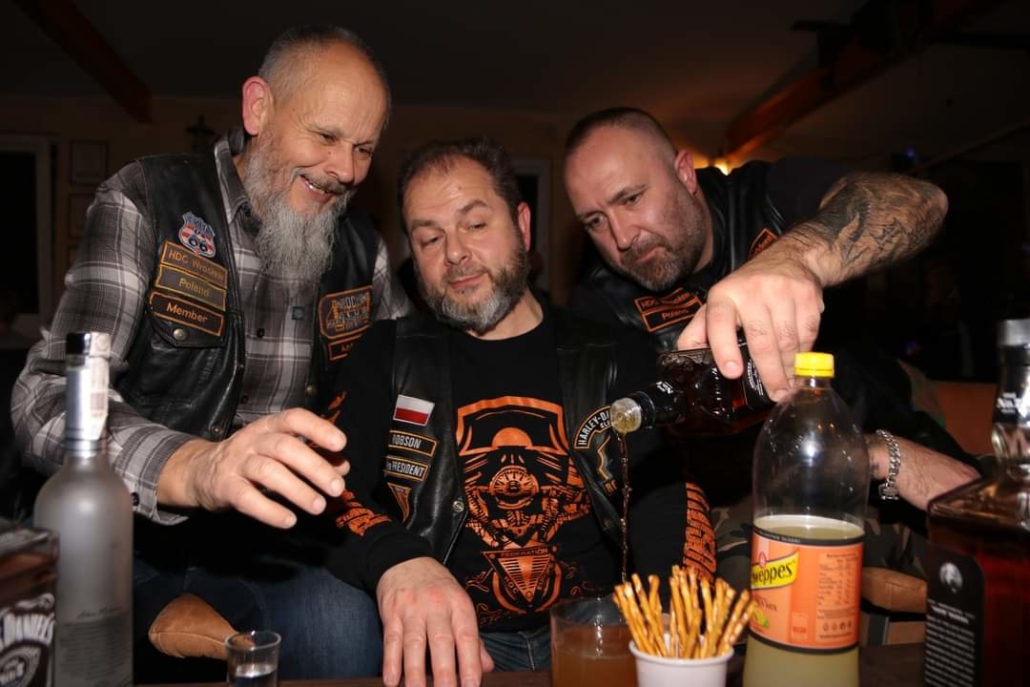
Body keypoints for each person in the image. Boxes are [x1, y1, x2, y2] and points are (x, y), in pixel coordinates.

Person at [11, 25, 412, 680]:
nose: (346, 169)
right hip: (126, 533)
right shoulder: (146, 201)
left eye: (364, 148)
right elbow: (47, 398)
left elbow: (411, 389)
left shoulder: (361, 250)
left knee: (348, 636)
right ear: (258, 108)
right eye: (326, 136)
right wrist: (197, 467)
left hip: (277, 542)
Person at [320, 137, 714, 687]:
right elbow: (327, 494)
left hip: (597, 636)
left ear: (523, 227)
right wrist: (397, 561)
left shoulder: (615, 351)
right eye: (429, 238)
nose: (454, 253)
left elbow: (665, 497)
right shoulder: (385, 357)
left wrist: (671, 618)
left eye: (475, 224)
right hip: (452, 648)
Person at [561, 107, 981, 588]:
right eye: (596, 220)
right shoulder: (602, 305)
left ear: (684, 173)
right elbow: (647, 473)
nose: (621, 238)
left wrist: (797, 259)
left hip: (896, 450)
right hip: (761, 498)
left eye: (632, 198)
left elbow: (922, 202)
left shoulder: (767, 195)